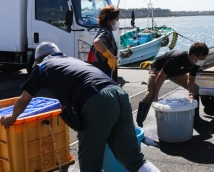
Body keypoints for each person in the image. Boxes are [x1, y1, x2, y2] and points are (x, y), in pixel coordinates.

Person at [0, 42, 160, 172]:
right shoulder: (72, 60)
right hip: (119, 94)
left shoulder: (43, 67)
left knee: (89, 164)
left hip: (97, 100)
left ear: (39, 59)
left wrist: (12, 117)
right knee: (132, 159)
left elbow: (23, 100)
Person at [136, 42, 209, 128]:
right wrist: (156, 96)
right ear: (193, 56)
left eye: (205, 57)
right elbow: (161, 76)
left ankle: (195, 119)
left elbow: (191, 79)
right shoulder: (177, 58)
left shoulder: (196, 63)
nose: (203, 60)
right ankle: (139, 123)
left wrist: (191, 94)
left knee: (196, 89)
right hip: (158, 70)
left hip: (175, 73)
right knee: (150, 94)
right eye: (202, 58)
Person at [91, 5, 120, 81]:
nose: (118, 22)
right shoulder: (106, 31)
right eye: (117, 19)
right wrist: (110, 57)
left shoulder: (105, 31)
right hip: (105, 71)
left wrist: (113, 57)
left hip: (104, 70)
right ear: (110, 20)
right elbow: (97, 42)